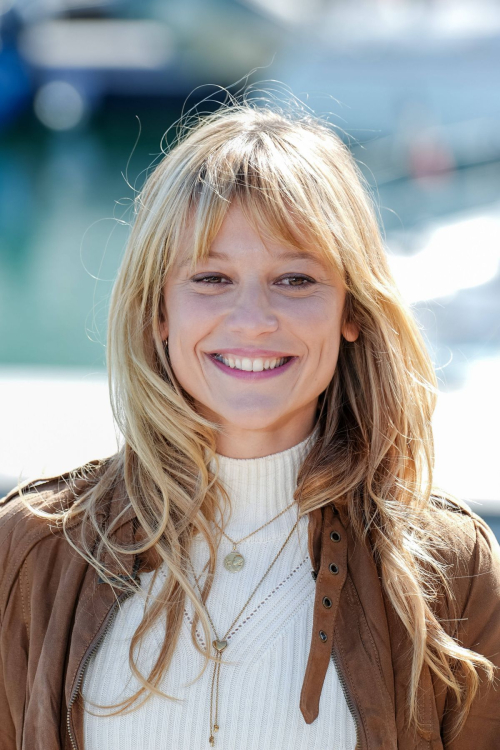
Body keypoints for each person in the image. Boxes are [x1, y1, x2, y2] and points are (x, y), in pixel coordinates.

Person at [1, 96, 500, 750]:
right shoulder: (33, 551)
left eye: (295, 279)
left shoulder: (451, 570)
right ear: (159, 313)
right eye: (211, 278)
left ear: (351, 310)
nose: (253, 318)